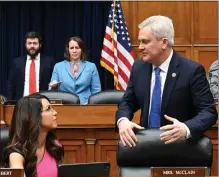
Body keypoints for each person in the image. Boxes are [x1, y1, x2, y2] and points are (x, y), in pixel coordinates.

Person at [116, 15, 217, 147]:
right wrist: (122, 121)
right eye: (140, 42)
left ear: (164, 43)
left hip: (179, 147)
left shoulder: (191, 70)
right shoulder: (139, 68)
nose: (140, 47)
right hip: (146, 144)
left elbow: (209, 111)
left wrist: (186, 128)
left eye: (145, 42)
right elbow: (127, 102)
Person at [3, 94, 64, 177]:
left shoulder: (55, 146)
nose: (55, 113)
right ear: (34, 117)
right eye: (48, 109)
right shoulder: (16, 154)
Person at [49, 36, 101, 104]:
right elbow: (52, 91)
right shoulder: (58, 67)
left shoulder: (91, 66)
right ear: (68, 50)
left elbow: (96, 91)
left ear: (81, 49)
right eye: (71, 48)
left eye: (77, 48)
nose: (74, 51)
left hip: (86, 105)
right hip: (65, 105)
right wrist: (53, 87)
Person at [7, 31, 55, 101]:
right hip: (22, 103)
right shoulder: (16, 62)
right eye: (29, 43)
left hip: (42, 103)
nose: (32, 46)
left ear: (40, 45)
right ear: (25, 45)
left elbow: (53, 84)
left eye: (35, 43)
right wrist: (9, 103)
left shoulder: (49, 61)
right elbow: (11, 85)